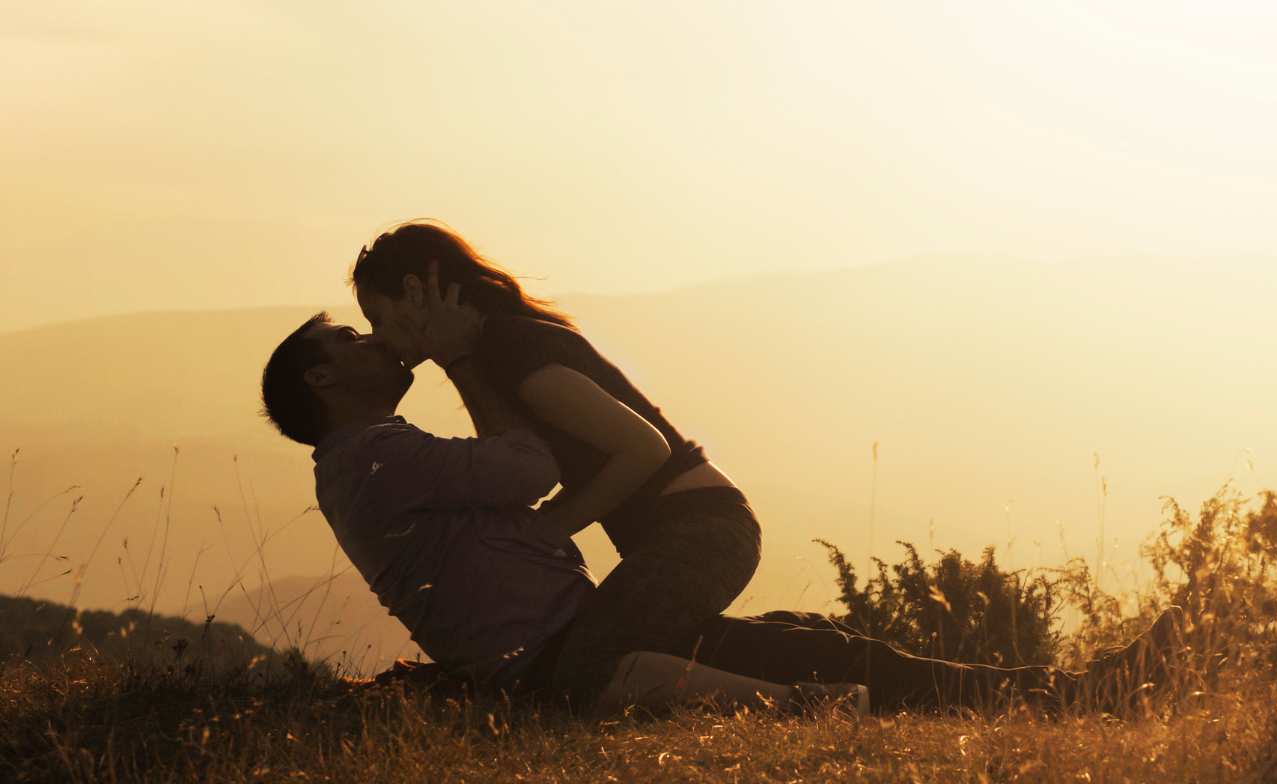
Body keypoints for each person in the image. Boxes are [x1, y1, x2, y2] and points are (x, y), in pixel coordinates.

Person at [260, 312, 1182, 715]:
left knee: (809, 633)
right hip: (570, 657)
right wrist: (464, 360)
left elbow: (514, 492)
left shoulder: (370, 459)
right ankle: (1076, 695)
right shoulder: (376, 454)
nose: (376, 341)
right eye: (352, 337)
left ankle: (1068, 691)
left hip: (575, 640)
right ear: (323, 377)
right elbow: (525, 464)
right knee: (814, 656)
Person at [348, 223, 757, 712]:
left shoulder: (510, 345)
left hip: (702, 528)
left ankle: (803, 702)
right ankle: (835, 654)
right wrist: (458, 360)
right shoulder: (491, 347)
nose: (378, 339)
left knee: (588, 667)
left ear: (413, 292)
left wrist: (551, 529)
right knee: (648, 649)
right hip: (693, 526)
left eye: (377, 317)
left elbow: (645, 449)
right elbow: (511, 461)